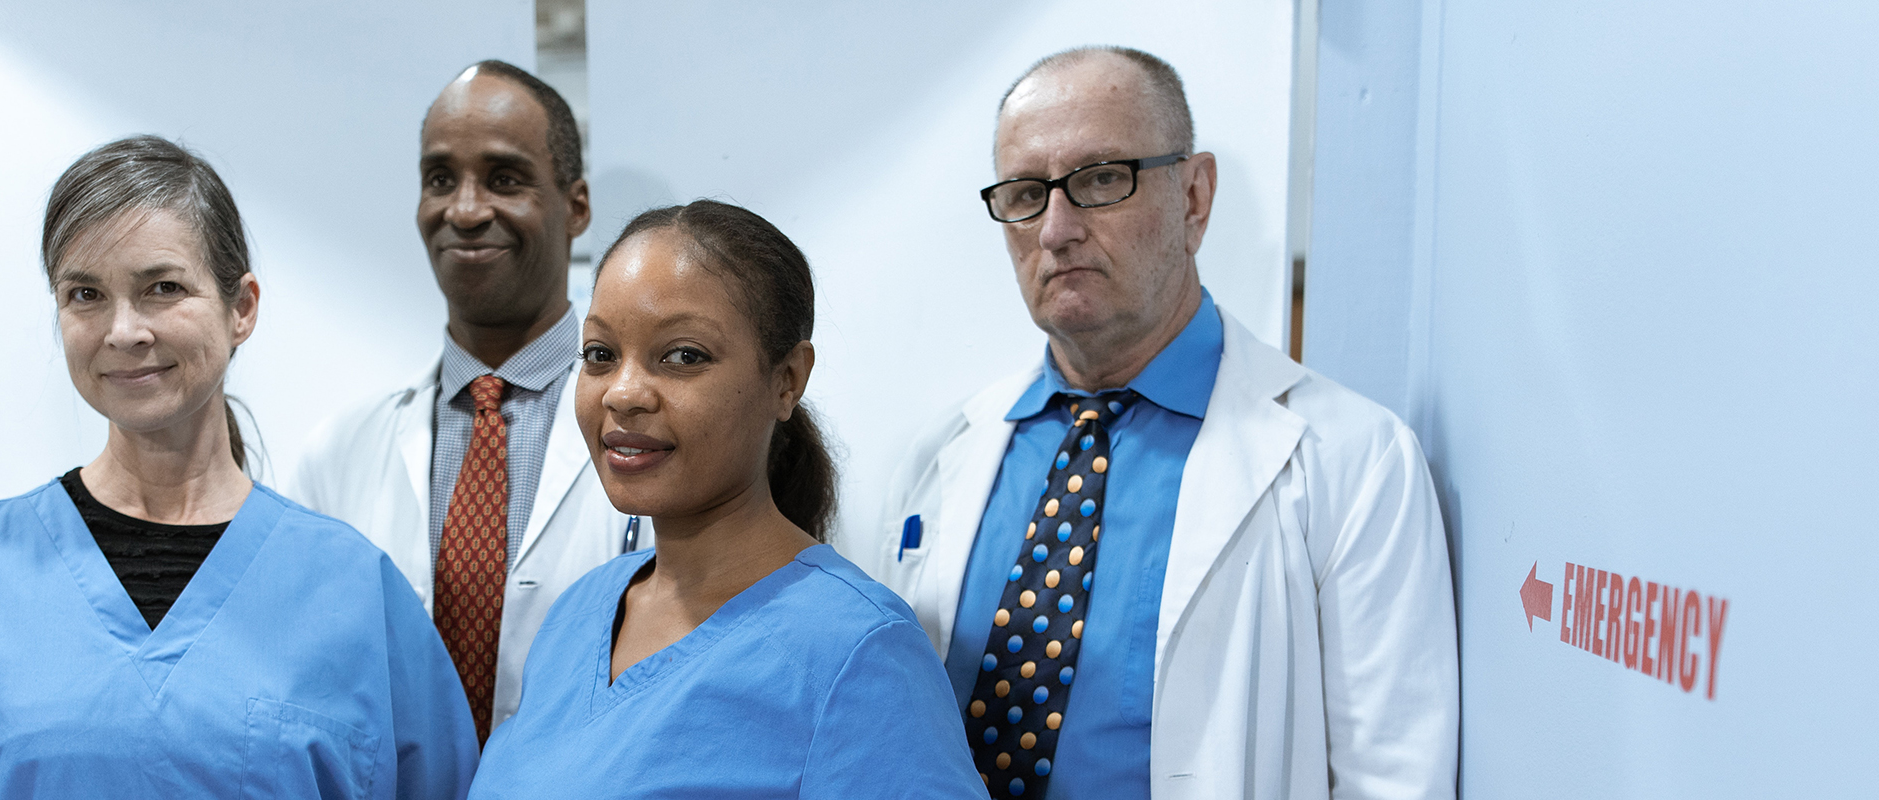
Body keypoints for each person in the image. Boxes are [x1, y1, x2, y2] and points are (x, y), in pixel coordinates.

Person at [848, 47, 1457, 799]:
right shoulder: (942, 453)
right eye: (1024, 193)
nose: (1055, 230)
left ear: (1194, 197)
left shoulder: (1353, 461)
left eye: (1101, 179)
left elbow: (1392, 779)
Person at [0, 136, 476, 799]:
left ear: (242, 308)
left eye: (163, 288)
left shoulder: (355, 594)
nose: (123, 330)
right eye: (84, 294)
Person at [470, 201, 984, 799]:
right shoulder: (576, 617)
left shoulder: (857, 653)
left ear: (787, 379)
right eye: (600, 354)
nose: (624, 393)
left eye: (683, 356)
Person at [290, 59, 637, 742]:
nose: (466, 210)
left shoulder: (648, 431)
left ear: (576, 206)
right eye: (440, 179)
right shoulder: (338, 453)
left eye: (504, 179)